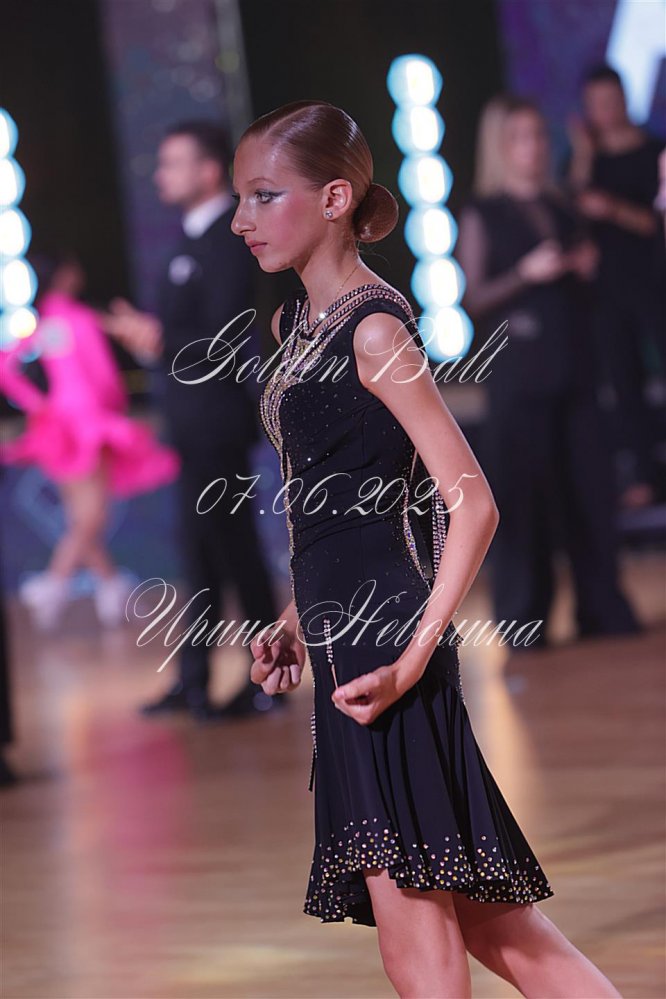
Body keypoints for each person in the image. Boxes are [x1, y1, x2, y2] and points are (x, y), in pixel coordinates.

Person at [236, 100, 621, 998]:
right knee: (498, 930)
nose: (242, 219)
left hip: (385, 655)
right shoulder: (299, 327)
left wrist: (411, 660)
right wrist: (295, 617)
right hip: (347, 640)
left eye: (264, 195)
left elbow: (470, 500)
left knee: (421, 945)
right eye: (240, 199)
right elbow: (345, 509)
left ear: (335, 197)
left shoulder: (374, 330)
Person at [101, 121, 283, 721]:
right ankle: (195, 677)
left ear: (208, 171)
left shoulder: (229, 239)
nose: (160, 175)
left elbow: (225, 337)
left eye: (172, 163)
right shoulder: (187, 241)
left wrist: (159, 339)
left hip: (217, 421)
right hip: (190, 421)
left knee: (233, 548)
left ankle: (269, 677)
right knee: (201, 552)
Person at [456, 94, 640, 646]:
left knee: (590, 495)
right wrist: (525, 274)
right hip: (520, 376)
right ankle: (525, 619)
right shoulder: (484, 212)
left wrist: (585, 267)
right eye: (520, 137)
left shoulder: (562, 206)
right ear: (499, 146)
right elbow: (473, 297)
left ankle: (601, 607)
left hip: (575, 368)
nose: (533, 147)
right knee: (525, 504)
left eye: (538, 135)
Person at [0, 252, 180, 629]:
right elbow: (102, 376)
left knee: (81, 515)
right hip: (86, 424)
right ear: (65, 275)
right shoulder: (77, 319)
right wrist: (110, 413)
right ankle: (56, 580)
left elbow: (6, 368)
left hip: (59, 426)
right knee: (92, 514)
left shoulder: (48, 321)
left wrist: (39, 404)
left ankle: (108, 583)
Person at [566, 64, 666, 508]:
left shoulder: (653, 152)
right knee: (624, 384)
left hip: (654, 282)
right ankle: (644, 476)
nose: (602, 112)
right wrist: (583, 155)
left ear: (625, 99)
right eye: (594, 104)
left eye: (609, 102)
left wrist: (612, 209)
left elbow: (655, 223)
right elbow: (570, 214)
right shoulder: (584, 159)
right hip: (606, 293)